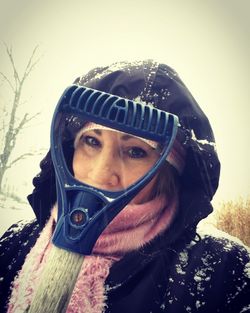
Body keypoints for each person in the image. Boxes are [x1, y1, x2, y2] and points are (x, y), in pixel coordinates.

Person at [0, 60, 249, 313]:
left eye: (135, 151)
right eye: (91, 141)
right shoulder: (15, 243)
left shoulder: (222, 272)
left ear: (167, 172)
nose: (101, 175)